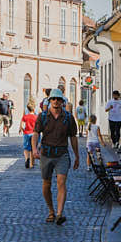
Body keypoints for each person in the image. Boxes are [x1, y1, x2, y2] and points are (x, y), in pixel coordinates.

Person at [30, 88, 80, 224]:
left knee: (61, 182)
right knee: (46, 184)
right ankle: (51, 210)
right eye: (53, 99)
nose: (56, 101)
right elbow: (35, 134)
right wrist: (34, 149)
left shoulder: (68, 118)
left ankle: (59, 213)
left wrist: (77, 156)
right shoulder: (43, 116)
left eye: (58, 99)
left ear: (62, 102)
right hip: (46, 154)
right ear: (49, 100)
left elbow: (73, 137)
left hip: (62, 154)